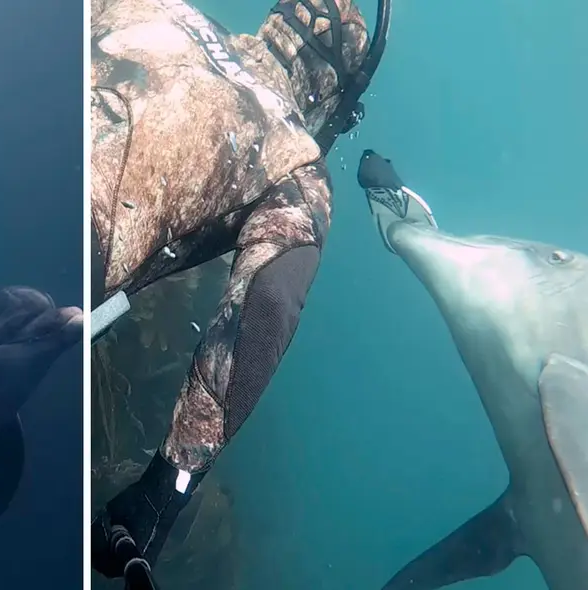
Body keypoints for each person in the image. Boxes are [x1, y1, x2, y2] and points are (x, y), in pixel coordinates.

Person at [90, 0, 392, 579]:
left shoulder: (163, 10)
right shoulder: (297, 166)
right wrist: (159, 497)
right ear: (337, 96)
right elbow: (267, 307)